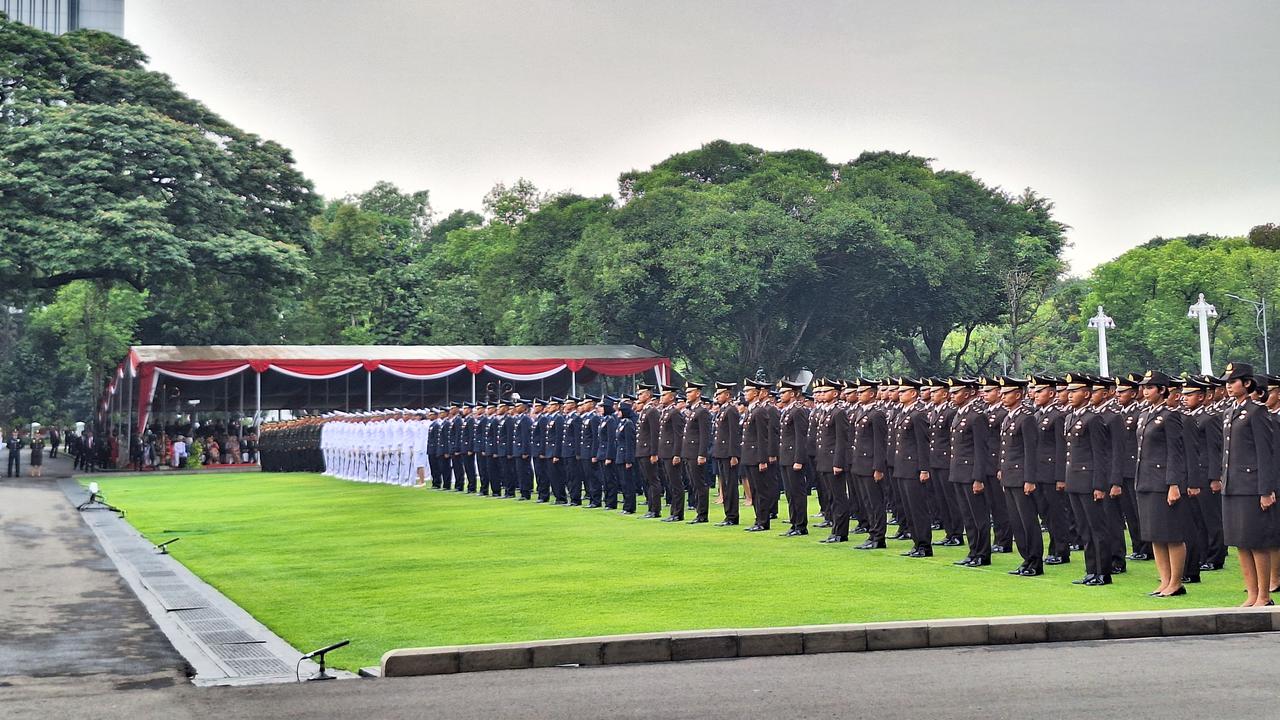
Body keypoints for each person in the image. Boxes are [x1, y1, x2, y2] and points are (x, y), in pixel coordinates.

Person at [1218, 362, 1277, 607]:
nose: (1229, 386)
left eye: (1233, 381)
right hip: (1233, 485)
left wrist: (1266, 490)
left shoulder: (1257, 411)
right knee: (1240, 542)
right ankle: (1252, 593)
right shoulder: (1230, 411)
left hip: (1251, 486)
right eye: (1227, 382)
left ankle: (1264, 595)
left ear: (1247, 383)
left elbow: (1265, 453)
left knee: (1257, 541)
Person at [1133, 371, 1190, 597]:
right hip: (1146, 480)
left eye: (1150, 387)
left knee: (1171, 534)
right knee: (1155, 534)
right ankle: (1164, 580)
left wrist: (1174, 484)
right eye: (1144, 387)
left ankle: (1176, 582)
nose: (1145, 391)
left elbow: (1175, 453)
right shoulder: (1145, 414)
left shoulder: (1170, 415)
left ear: (1162, 390)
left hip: (1163, 482)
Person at [711, 381, 742, 526]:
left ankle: (732, 516)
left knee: (730, 485)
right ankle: (728, 514)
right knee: (725, 484)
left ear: (728, 395)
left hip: (728, 454)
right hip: (721, 452)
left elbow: (734, 434)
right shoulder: (723, 409)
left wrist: (734, 455)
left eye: (719, 394)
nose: (717, 396)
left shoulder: (731, 410)